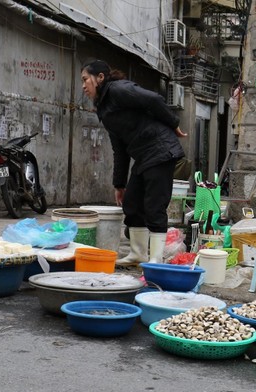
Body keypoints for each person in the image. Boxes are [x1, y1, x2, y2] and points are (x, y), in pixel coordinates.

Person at [81, 60, 188, 265]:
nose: (83, 86)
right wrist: (119, 184)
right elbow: (119, 148)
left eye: (86, 79)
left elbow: (154, 99)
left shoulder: (119, 90)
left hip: (160, 149)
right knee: (131, 203)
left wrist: (173, 124)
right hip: (144, 155)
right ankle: (138, 255)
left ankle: (155, 259)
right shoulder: (104, 108)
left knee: (154, 205)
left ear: (100, 77)